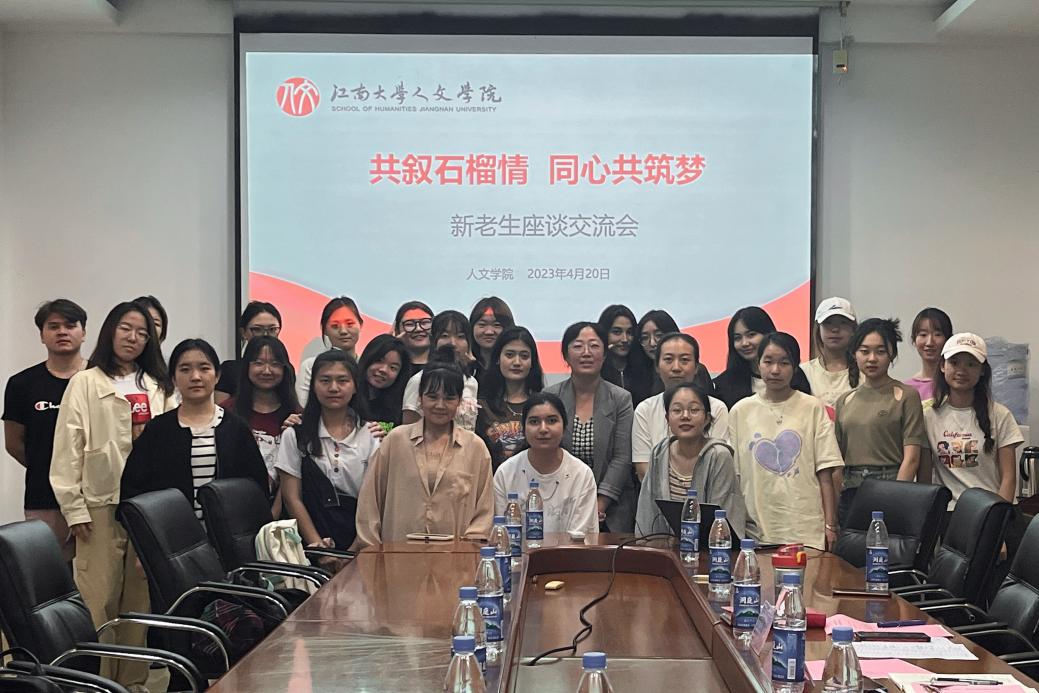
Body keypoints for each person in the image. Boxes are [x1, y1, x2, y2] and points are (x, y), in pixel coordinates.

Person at [50, 301, 173, 688]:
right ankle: (98, 684)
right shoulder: (86, 382)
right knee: (98, 600)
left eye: (142, 332)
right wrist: (74, 510)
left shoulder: (159, 386)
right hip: (99, 507)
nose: (133, 338)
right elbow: (67, 449)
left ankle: (133, 682)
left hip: (146, 510)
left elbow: (171, 446)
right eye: (125, 328)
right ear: (109, 331)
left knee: (139, 602)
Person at [121, 339, 269, 520]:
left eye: (204, 368)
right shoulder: (158, 430)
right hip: (172, 534)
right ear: (173, 378)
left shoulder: (236, 428)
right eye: (185, 369)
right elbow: (133, 490)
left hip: (228, 534)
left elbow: (256, 489)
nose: (195, 377)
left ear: (217, 376)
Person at [353, 360, 494, 548]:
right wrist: (372, 550)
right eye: (432, 397)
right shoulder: (396, 441)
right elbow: (370, 503)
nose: (440, 405)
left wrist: (469, 552)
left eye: (449, 398)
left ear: (460, 401)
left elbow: (484, 512)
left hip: (455, 558)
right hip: (398, 555)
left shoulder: (475, 447)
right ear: (420, 398)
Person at [728, 332, 843, 550]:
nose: (775, 370)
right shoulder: (740, 411)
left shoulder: (812, 407)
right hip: (756, 529)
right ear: (758, 364)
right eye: (768, 361)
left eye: (784, 363)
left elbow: (826, 471)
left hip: (806, 528)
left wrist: (830, 524)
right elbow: (735, 476)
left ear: (795, 367)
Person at [3, 299, 88, 562]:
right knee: (48, 574)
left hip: (95, 498)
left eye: (70, 325)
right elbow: (14, 443)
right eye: (53, 326)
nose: (62, 332)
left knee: (98, 578)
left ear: (83, 332)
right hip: (43, 496)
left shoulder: (101, 379)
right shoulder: (21, 384)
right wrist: (52, 469)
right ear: (42, 335)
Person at [276, 350, 380, 550]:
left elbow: (374, 503)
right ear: (313, 386)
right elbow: (292, 498)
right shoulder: (295, 434)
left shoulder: (371, 435)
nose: (333, 388)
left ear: (355, 386)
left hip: (360, 543)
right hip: (307, 546)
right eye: (325, 380)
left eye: (343, 381)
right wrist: (318, 546)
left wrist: (351, 553)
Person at [544, 322, 635, 532]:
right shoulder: (551, 396)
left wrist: (599, 504)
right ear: (565, 355)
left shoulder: (620, 399)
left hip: (610, 509)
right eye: (578, 346)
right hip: (559, 502)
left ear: (604, 354)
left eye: (594, 346)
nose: (586, 353)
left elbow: (622, 458)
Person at [833, 319, 926, 524]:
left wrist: (896, 498)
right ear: (854, 353)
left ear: (892, 353)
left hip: (890, 489)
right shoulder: (844, 401)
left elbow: (912, 459)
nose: (872, 359)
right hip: (850, 493)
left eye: (880, 351)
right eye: (864, 351)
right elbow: (836, 462)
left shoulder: (907, 396)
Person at [635, 382, 749, 537]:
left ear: (707, 418)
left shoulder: (719, 455)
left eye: (694, 410)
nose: (685, 416)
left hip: (709, 545)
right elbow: (647, 510)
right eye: (677, 410)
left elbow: (723, 514)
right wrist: (646, 544)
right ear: (667, 418)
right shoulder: (659, 453)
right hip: (664, 545)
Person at [925, 333, 1023, 507]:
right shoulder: (928, 416)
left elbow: (1008, 478)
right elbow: (924, 478)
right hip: (946, 513)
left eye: (971, 364)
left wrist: (997, 515)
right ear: (942, 366)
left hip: (990, 511)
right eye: (954, 363)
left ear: (982, 370)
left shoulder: (1000, 415)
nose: (961, 370)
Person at [492, 392, 598, 535]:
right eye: (534, 422)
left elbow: (582, 536)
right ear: (523, 428)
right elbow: (501, 533)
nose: (543, 429)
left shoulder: (581, 474)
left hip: (570, 550)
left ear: (564, 426)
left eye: (552, 421)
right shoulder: (506, 473)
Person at [632, 333, 730, 481]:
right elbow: (643, 469)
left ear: (696, 367)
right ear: (657, 367)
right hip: (657, 493)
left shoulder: (717, 408)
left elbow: (720, 465)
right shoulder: (645, 410)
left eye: (684, 360)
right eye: (668, 360)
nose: (676, 368)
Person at [224, 335, 302, 518]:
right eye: (258, 363)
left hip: (284, 516)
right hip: (235, 511)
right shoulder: (227, 412)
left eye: (275, 364)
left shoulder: (297, 415)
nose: (267, 370)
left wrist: (274, 514)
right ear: (246, 367)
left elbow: (295, 473)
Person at [713, 306, 812, 409]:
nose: (744, 343)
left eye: (751, 335)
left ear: (768, 334)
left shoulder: (794, 375)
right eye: (737, 338)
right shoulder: (723, 385)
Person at [476, 326, 544, 471]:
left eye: (524, 356)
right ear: (497, 359)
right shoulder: (481, 406)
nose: (517, 362)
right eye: (509, 355)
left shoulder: (542, 405)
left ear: (532, 362)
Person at [401, 311, 480, 430]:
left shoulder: (471, 382)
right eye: (445, 336)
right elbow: (408, 429)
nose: (453, 343)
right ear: (433, 340)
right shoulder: (418, 380)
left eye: (460, 336)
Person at [298, 296, 363, 406]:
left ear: (360, 324)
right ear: (324, 329)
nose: (343, 331)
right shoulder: (310, 366)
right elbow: (304, 406)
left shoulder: (367, 367)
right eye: (335, 326)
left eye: (350, 324)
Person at [215, 300, 283, 403]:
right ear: (243, 333)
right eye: (257, 329)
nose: (265, 335)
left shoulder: (284, 369)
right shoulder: (229, 370)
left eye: (272, 329)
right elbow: (221, 409)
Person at [801, 297, 857, 414]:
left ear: (853, 329)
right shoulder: (804, 372)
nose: (835, 329)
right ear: (818, 329)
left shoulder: (865, 371)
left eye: (843, 323)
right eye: (828, 323)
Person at [598, 304, 653, 407]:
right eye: (617, 332)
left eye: (630, 332)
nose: (625, 339)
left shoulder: (646, 366)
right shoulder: (596, 370)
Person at [356, 334, 411, 431]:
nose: (384, 370)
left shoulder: (402, 408)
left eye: (393, 367)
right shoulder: (349, 397)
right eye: (379, 361)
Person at [906, 307, 954, 407]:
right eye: (923, 335)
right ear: (914, 340)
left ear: (948, 340)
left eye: (937, 334)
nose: (929, 342)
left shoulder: (957, 383)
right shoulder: (906, 389)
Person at [469, 297, 515, 384]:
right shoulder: (464, 366)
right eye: (482, 324)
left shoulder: (516, 366)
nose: (489, 332)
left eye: (497, 325)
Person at [393, 300, 434, 381]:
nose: (418, 329)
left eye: (425, 322)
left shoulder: (448, 365)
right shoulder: (390, 368)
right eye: (409, 324)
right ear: (397, 331)